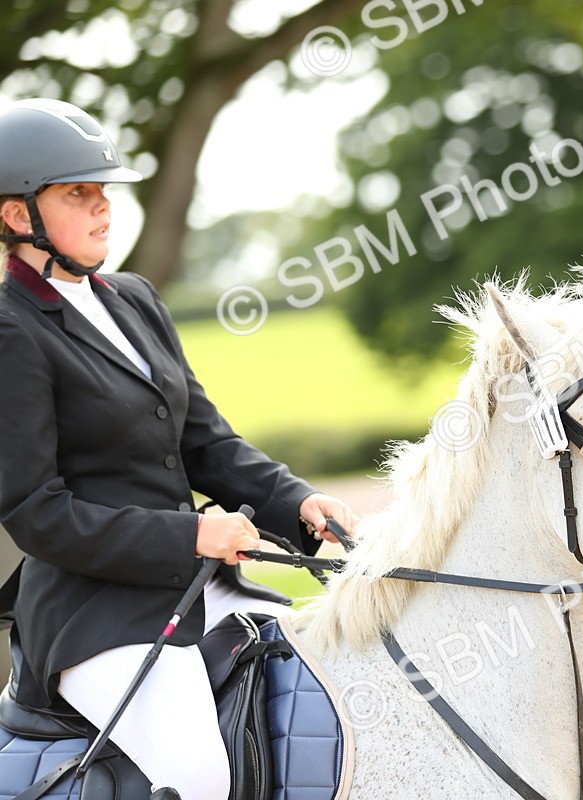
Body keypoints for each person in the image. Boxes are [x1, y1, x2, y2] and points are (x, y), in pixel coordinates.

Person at [0, 98, 358, 800]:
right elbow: (35, 513)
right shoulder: (11, 331)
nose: (105, 208)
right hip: (92, 615)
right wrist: (193, 532)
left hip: (202, 589)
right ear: (19, 216)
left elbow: (205, 442)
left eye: (105, 192)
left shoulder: (133, 298)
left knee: (339, 687)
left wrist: (300, 501)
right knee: (198, 774)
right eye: (80, 193)